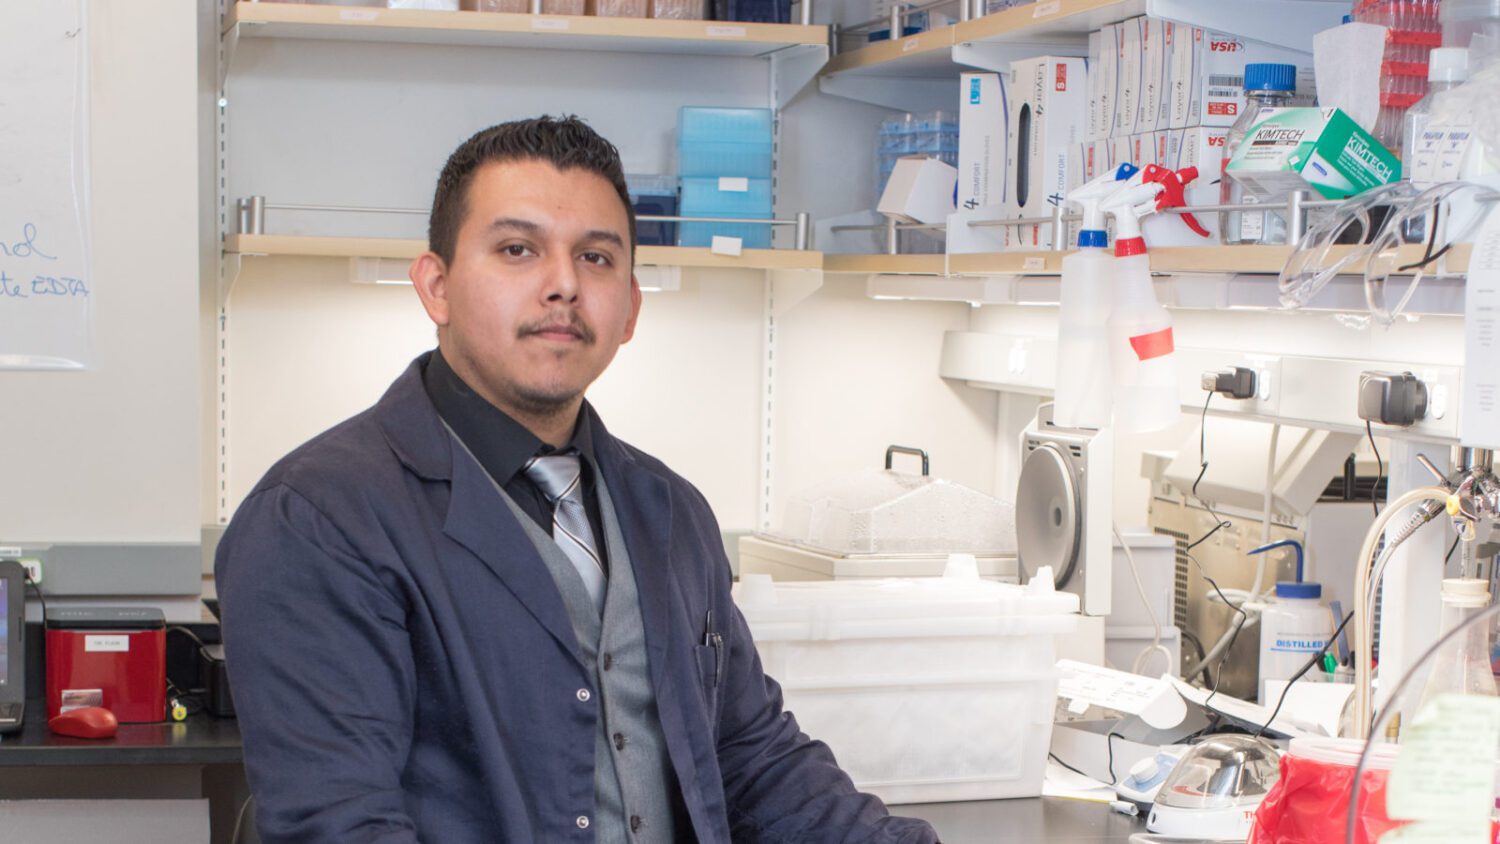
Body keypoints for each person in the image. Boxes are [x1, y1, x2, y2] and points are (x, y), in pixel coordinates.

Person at [216, 116, 940, 844]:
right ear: (435, 287)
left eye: (596, 258)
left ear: (629, 308)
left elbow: (752, 760)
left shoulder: (670, 512)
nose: (562, 284)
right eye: (517, 250)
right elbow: (339, 826)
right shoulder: (319, 520)